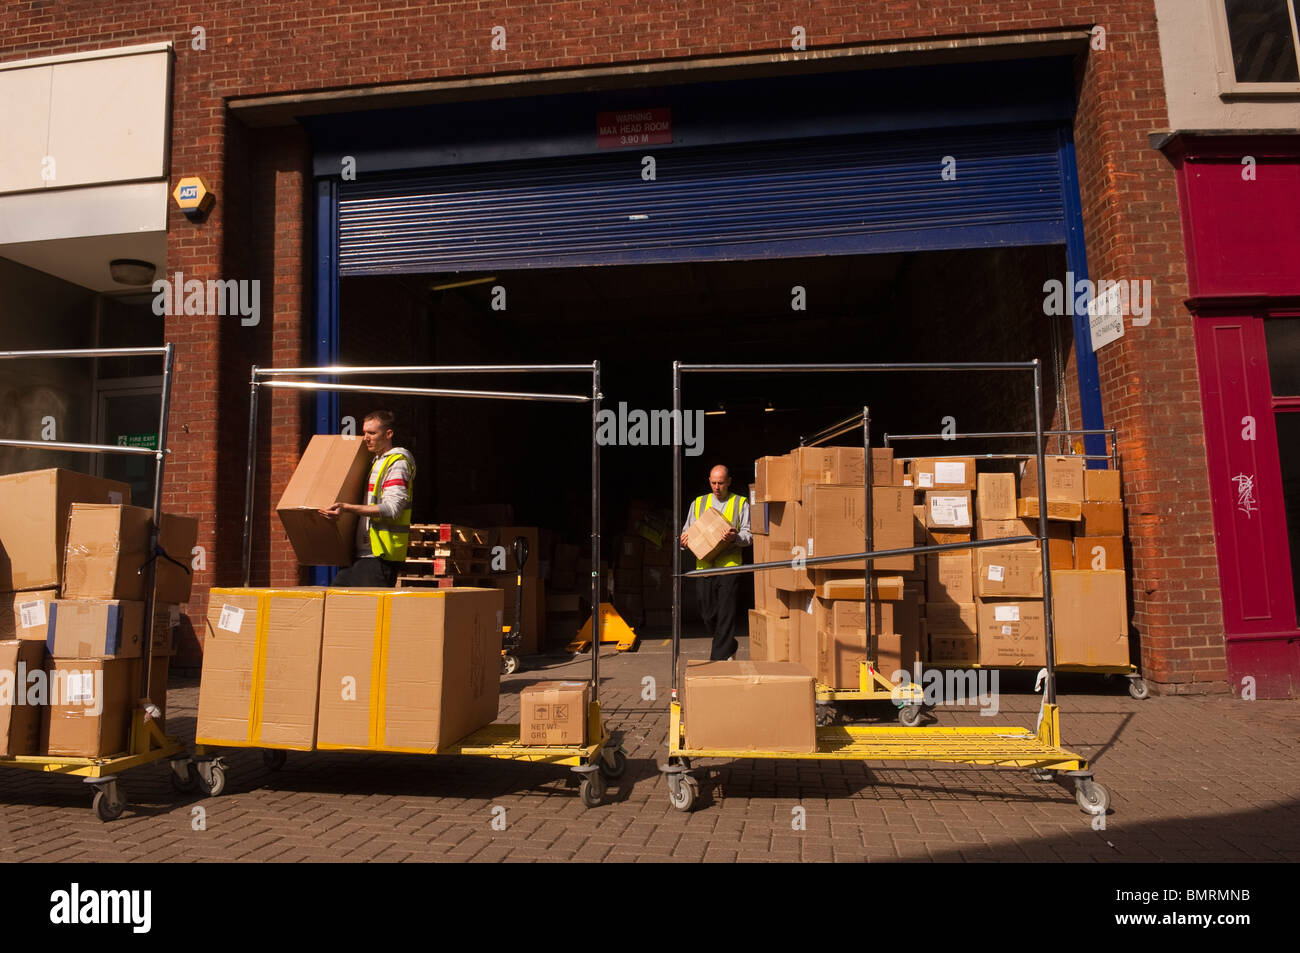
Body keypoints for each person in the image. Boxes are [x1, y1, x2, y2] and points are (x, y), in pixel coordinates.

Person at [318, 409, 415, 587]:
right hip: (359, 555)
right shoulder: (374, 462)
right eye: (364, 432)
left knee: (367, 613)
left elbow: (393, 509)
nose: (365, 438)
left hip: (380, 555)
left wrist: (347, 508)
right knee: (336, 603)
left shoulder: (397, 463)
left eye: (372, 433)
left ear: (388, 434)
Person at [679, 464, 751, 661]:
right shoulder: (699, 503)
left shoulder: (739, 503)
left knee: (726, 612)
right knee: (707, 613)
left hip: (729, 566)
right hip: (704, 566)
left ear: (728, 482)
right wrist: (683, 542)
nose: (716, 487)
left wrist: (734, 538)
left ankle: (718, 660)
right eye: (713, 483)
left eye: (720, 483)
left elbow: (748, 535)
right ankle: (731, 644)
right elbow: (687, 531)